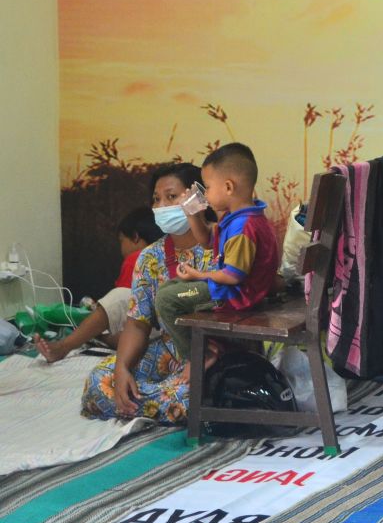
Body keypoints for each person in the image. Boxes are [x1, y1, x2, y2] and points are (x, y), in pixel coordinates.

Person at [81, 163, 215, 423]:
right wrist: (122, 369)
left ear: (197, 199)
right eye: (156, 199)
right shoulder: (149, 257)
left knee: (191, 396)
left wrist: (201, 359)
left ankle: (154, 403)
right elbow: (137, 325)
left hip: (214, 353)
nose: (161, 205)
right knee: (99, 383)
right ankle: (159, 403)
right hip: (168, 352)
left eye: (171, 197)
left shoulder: (222, 245)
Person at [155, 142, 280, 363]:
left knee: (166, 300)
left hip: (237, 295)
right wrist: (192, 214)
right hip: (231, 289)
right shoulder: (237, 217)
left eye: (208, 187)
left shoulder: (244, 227)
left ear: (229, 187)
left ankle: (199, 358)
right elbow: (206, 241)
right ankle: (204, 352)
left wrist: (198, 275)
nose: (206, 194)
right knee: (169, 287)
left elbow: (233, 276)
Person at [34, 207, 162, 363]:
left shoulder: (138, 258)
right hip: (163, 331)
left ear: (135, 237)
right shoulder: (165, 252)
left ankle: (65, 346)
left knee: (116, 302)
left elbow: (122, 305)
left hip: (150, 333)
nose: (121, 248)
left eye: (121, 241)